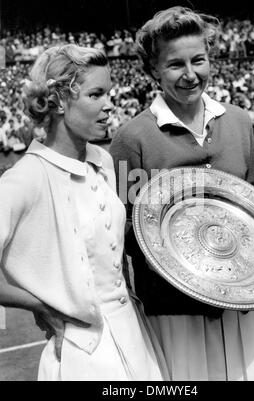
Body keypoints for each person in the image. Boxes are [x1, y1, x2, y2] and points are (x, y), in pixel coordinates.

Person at [110, 6, 254, 381]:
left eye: (199, 60)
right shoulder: (133, 138)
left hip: (244, 308)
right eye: (175, 65)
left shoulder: (238, 121)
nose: (190, 75)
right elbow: (121, 230)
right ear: (154, 69)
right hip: (176, 316)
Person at [0, 44, 168, 381]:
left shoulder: (102, 160)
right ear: (60, 100)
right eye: (96, 94)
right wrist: (43, 307)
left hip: (136, 334)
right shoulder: (23, 179)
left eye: (108, 93)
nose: (109, 105)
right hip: (83, 354)